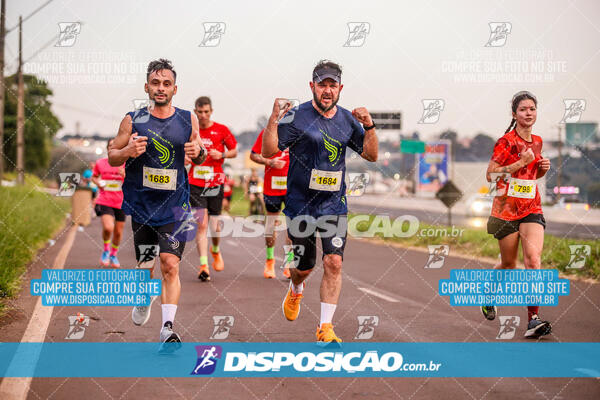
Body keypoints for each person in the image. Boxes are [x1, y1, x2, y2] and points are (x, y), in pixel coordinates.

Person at [262, 60, 378, 344]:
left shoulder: (349, 121)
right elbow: (269, 150)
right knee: (303, 268)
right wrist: (273, 118)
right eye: (322, 84)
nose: (327, 90)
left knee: (334, 262)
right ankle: (296, 289)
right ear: (312, 86)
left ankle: (325, 327)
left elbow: (371, 155)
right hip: (300, 205)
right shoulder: (296, 116)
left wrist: (371, 126)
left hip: (333, 206)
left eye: (332, 85)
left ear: (340, 88)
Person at [108, 58, 206, 350]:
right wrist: (127, 150)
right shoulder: (132, 119)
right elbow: (113, 155)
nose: (160, 88)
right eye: (155, 83)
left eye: (166, 84)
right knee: (145, 265)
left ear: (175, 88)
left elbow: (199, 155)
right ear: (146, 87)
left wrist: (198, 152)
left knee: (170, 264)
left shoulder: (188, 119)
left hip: (176, 206)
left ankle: (167, 328)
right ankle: (142, 298)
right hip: (143, 206)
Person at [484, 90, 552, 339]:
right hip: (505, 211)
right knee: (509, 263)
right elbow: (491, 177)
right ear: (514, 114)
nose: (528, 113)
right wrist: (519, 163)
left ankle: (533, 319)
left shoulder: (538, 141)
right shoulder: (506, 142)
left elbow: (531, 179)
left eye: (532, 109)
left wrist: (542, 169)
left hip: (531, 208)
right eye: (523, 109)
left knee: (533, 261)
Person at [188, 96, 238, 282]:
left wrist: (222, 153)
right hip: (195, 182)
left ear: (211, 111)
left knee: (215, 227)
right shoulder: (191, 130)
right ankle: (203, 266)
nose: (203, 115)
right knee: (201, 224)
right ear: (195, 111)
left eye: (206, 112)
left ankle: (215, 250)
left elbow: (234, 151)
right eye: (199, 112)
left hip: (215, 182)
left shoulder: (221, 130)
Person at [250, 129, 293, 279]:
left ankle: (289, 264)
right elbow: (253, 155)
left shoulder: (299, 130)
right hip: (272, 187)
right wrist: (269, 162)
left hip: (292, 188)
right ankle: (270, 260)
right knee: (270, 225)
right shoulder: (267, 133)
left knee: (291, 227)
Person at [92, 139, 126, 268]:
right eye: (110, 146)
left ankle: (113, 254)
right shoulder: (100, 163)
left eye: (115, 145)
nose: (113, 147)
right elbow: (94, 176)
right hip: (105, 200)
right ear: (108, 149)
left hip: (121, 202)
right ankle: (106, 250)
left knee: (117, 232)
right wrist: (99, 182)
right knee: (108, 227)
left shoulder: (125, 164)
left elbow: (135, 182)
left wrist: (125, 175)